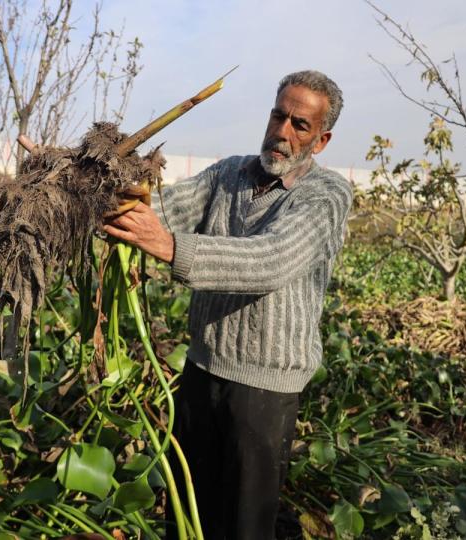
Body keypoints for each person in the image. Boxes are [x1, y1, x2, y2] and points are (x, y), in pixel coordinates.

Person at [103, 70, 352, 540]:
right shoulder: (229, 173)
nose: (282, 131)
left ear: (321, 140)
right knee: (187, 509)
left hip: (263, 388)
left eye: (300, 124)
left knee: (243, 524)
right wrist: (96, 190)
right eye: (279, 115)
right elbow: (164, 209)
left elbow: (272, 260)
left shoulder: (328, 195)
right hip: (201, 368)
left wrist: (172, 248)